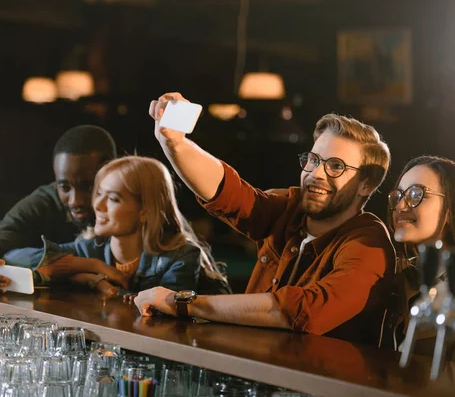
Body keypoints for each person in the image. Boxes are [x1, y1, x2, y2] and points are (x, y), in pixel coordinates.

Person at [134, 92, 395, 346]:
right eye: (314, 160)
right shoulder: (291, 208)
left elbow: (303, 309)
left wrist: (185, 303)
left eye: (336, 166)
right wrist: (174, 142)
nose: (317, 174)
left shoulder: (368, 243)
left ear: (366, 184)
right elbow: (232, 195)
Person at [2, 156, 231, 296]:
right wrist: (94, 270)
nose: (97, 205)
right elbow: (13, 258)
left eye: (112, 199)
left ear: (145, 211)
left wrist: (101, 285)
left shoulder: (180, 258)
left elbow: (158, 312)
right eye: (98, 194)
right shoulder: (89, 250)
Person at [0, 125, 117, 294]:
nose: (75, 201)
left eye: (88, 186)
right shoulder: (44, 202)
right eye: (64, 187)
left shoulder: (131, 201)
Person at [386, 156, 455, 362]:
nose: (401, 205)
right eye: (398, 195)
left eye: (416, 194)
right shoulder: (403, 277)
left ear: (452, 209)